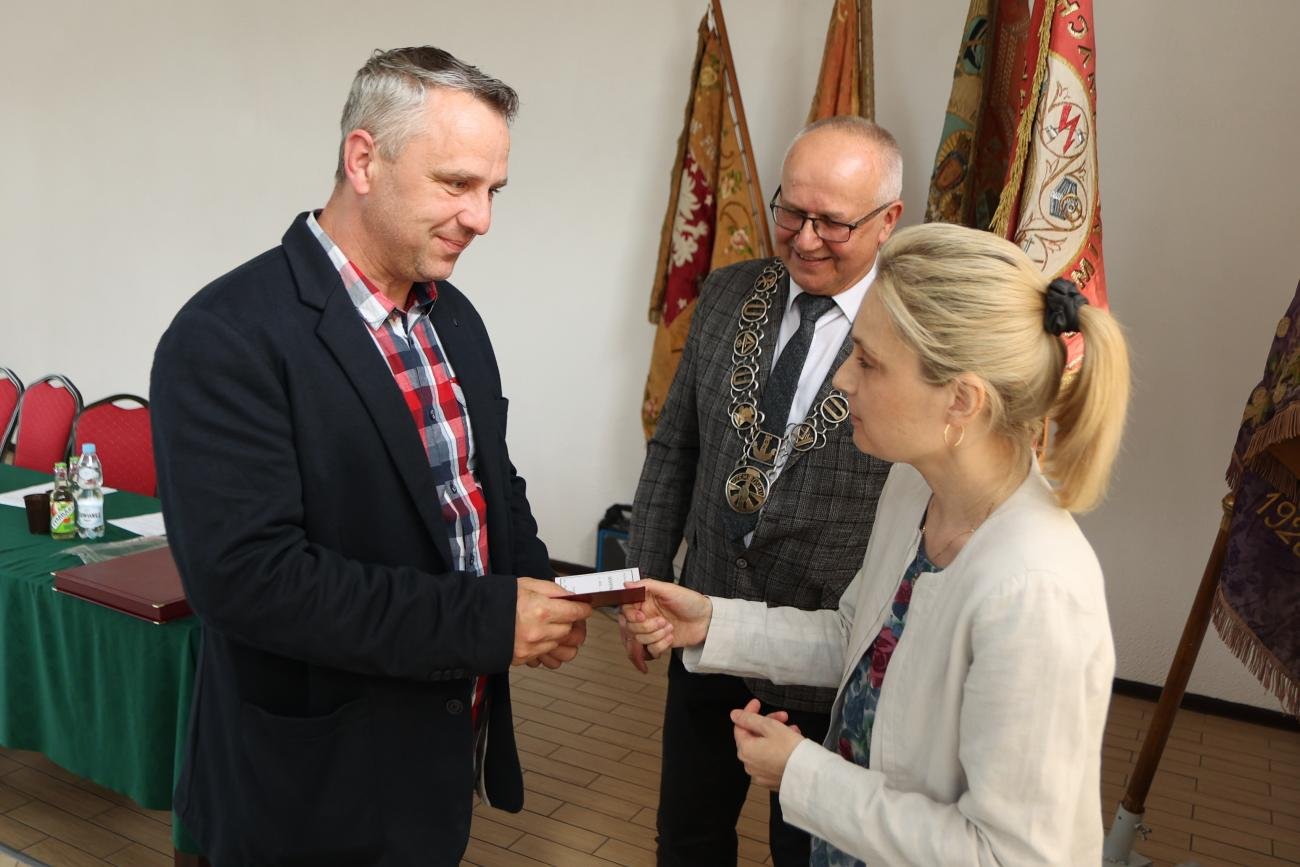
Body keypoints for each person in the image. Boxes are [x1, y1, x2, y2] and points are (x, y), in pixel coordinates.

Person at [150, 46, 592, 866]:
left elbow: (485, 483)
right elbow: (250, 581)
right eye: (456, 183)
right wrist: (491, 621)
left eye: (493, 190)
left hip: (433, 766)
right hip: (305, 793)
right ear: (363, 160)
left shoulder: (453, 315)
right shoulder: (225, 335)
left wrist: (558, 589)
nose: (481, 218)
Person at [623, 222, 1130, 865]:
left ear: (961, 400)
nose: (842, 379)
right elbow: (854, 636)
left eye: (867, 361)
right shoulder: (914, 488)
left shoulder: (1035, 591)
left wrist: (804, 774)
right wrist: (711, 623)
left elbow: (1008, 856)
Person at [625, 116, 902, 865]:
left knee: (805, 851)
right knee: (688, 836)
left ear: (888, 221)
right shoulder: (726, 294)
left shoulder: (913, 329)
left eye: (832, 222)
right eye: (791, 211)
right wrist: (641, 580)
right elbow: (675, 447)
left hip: (827, 654)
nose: (805, 239)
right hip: (705, 625)